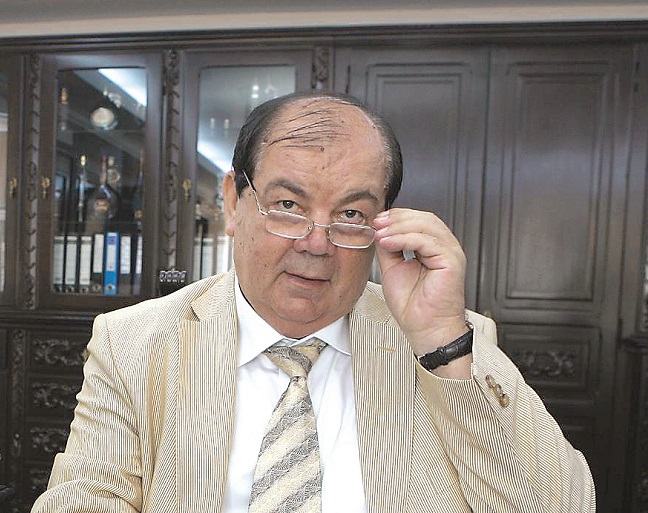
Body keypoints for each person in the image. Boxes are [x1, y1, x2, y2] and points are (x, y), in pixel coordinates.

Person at [32, 91, 595, 513]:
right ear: (232, 202)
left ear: (383, 226)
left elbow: (564, 506)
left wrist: (442, 348)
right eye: (287, 205)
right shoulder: (134, 341)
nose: (316, 243)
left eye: (350, 214)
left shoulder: (451, 341)